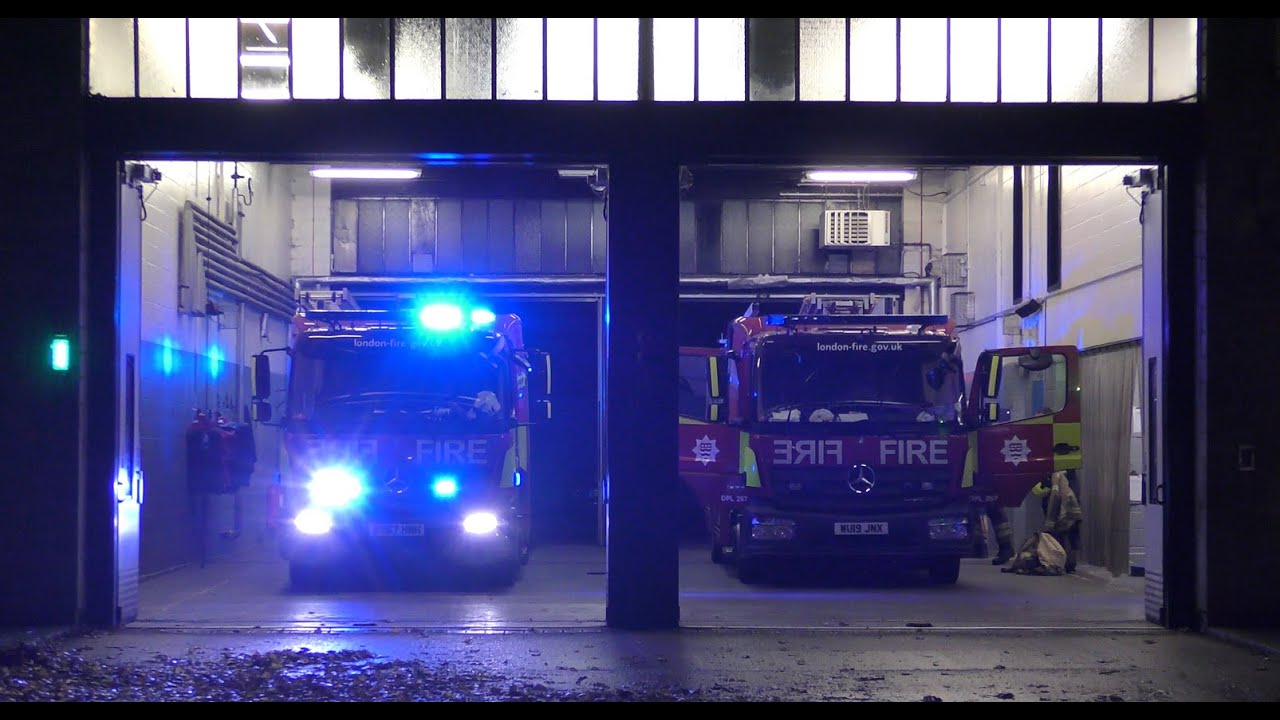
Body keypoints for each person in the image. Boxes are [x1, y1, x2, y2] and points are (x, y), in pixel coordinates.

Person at [1032, 469, 1083, 573]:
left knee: (1063, 527)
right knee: (1066, 527)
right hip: (1060, 484)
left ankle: (1062, 561)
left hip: (1058, 485)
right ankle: (1065, 561)